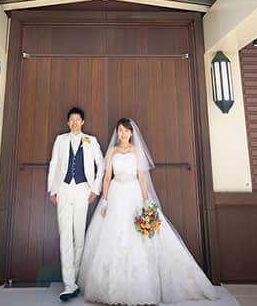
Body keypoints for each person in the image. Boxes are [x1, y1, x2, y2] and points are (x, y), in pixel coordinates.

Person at [78, 118, 219, 305]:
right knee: (114, 236)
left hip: (134, 193)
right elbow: (106, 178)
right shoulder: (111, 151)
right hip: (116, 192)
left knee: (138, 236)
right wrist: (104, 201)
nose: (123, 134)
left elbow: (142, 179)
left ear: (131, 133)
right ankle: (113, 288)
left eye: (127, 131)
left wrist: (145, 203)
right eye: (120, 130)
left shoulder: (137, 151)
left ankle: (141, 288)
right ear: (117, 132)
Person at [47, 107, 105, 302]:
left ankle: (77, 277)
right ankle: (68, 284)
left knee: (79, 236)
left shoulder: (91, 141)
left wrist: (95, 190)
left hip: (82, 191)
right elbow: (54, 163)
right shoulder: (60, 140)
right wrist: (52, 189)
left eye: (77, 119)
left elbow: (102, 164)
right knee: (65, 235)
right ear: (67, 122)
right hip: (63, 189)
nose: (74, 122)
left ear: (83, 122)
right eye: (71, 119)